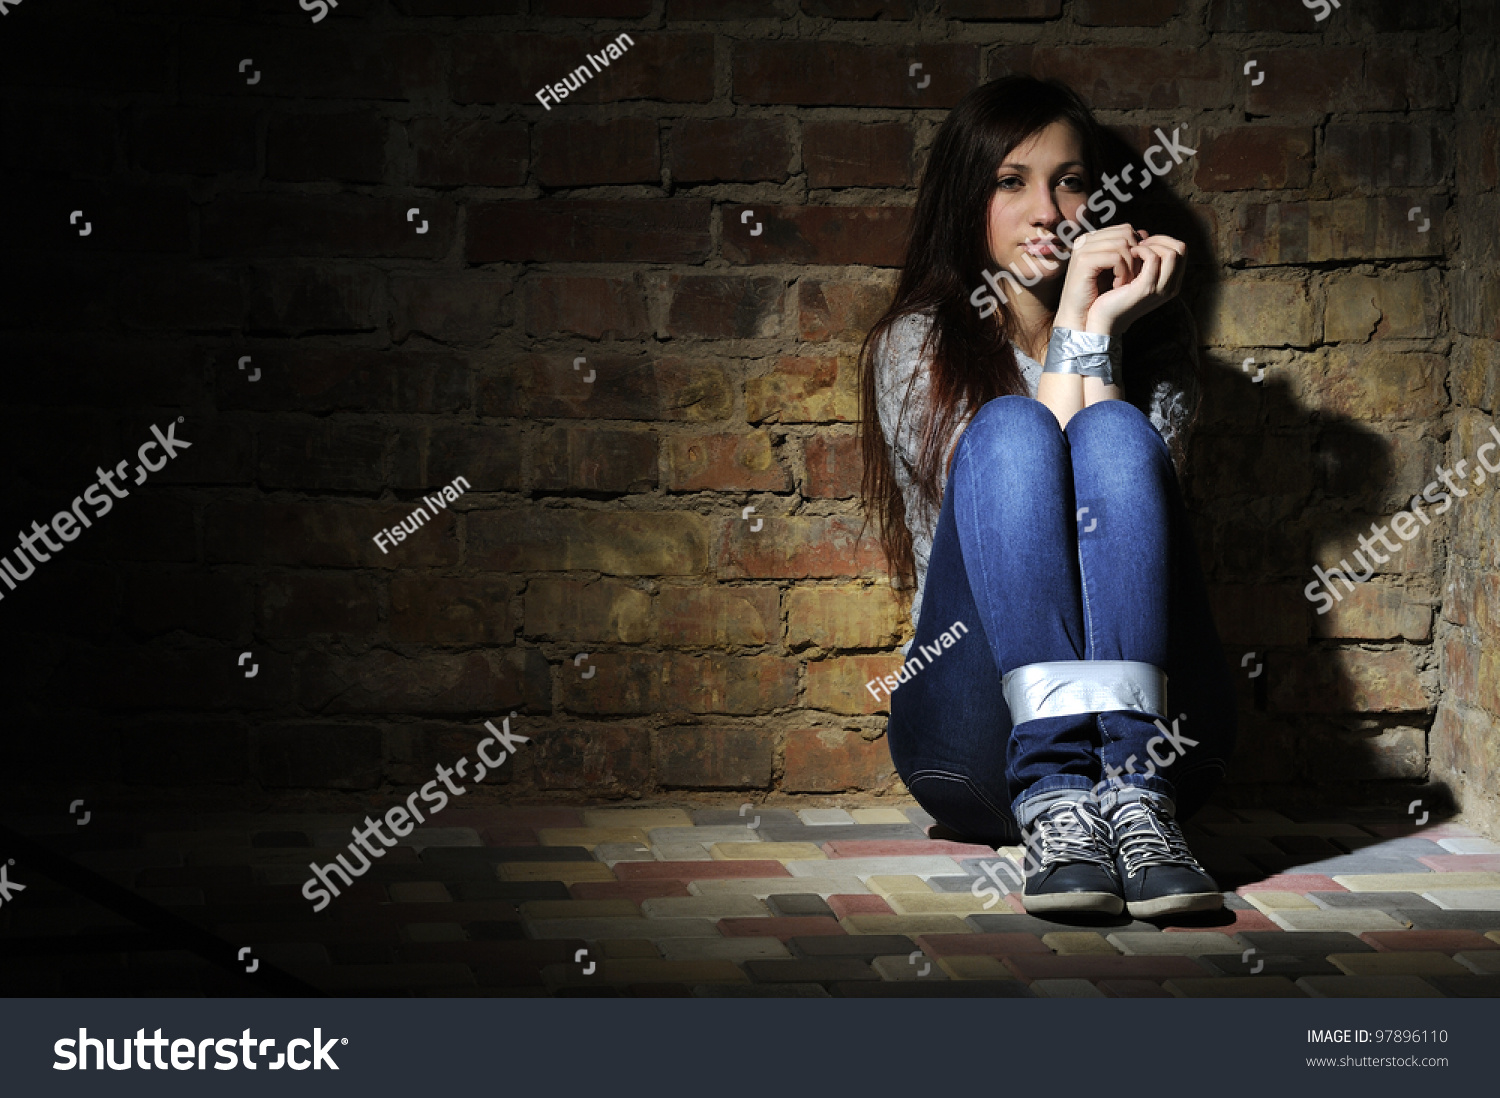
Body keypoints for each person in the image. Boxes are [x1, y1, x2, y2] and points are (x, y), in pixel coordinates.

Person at [857, 75, 1237, 918]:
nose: (1047, 210)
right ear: (969, 199)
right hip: (977, 740)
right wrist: (1080, 320)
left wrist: (1101, 332)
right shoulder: (918, 345)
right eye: (1011, 182)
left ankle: (1133, 799)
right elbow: (1036, 508)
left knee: (1114, 437)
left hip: (1158, 743)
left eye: (1069, 181)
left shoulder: (1159, 351)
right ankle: (1058, 795)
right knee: (1011, 433)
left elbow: (1103, 519)